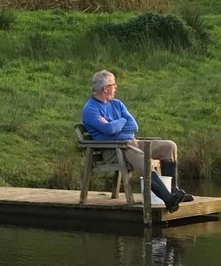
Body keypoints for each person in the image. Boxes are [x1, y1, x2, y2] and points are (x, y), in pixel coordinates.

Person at [81, 69, 193, 211]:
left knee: (169, 146)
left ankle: (173, 190)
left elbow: (133, 125)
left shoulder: (117, 104)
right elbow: (108, 130)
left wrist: (114, 122)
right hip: (114, 149)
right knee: (142, 157)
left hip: (132, 142)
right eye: (113, 85)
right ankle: (168, 199)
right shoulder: (90, 109)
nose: (116, 87)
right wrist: (120, 123)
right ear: (105, 88)